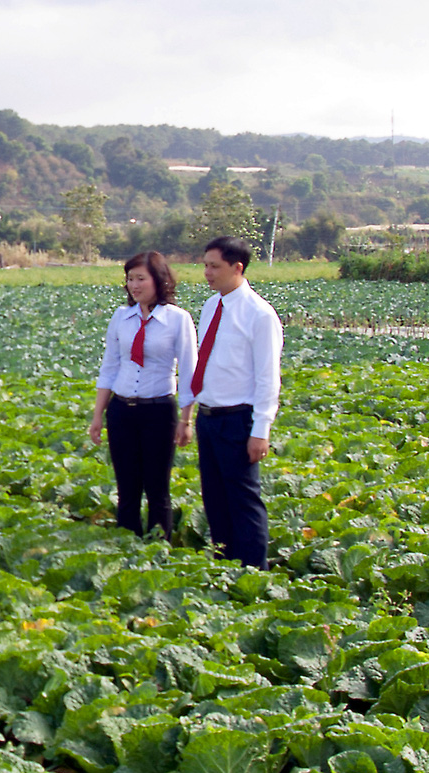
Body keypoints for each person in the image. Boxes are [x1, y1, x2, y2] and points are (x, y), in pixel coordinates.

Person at [179, 235, 283, 568]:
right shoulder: (212, 306)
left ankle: (253, 573)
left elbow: (268, 378)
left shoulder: (260, 315)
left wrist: (261, 430)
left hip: (239, 419)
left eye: (215, 267)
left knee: (243, 501)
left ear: (237, 268)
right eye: (205, 265)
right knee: (215, 499)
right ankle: (225, 566)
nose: (207, 273)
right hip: (209, 417)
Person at [87, 250, 198, 539]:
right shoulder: (122, 317)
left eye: (141, 278)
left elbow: (188, 373)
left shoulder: (178, 319)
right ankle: (127, 548)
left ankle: (159, 548)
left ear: (159, 281)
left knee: (157, 488)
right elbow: (109, 368)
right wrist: (98, 415)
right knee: (127, 488)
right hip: (122, 410)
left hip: (158, 410)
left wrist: (186, 421)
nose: (134, 285)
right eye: (130, 279)